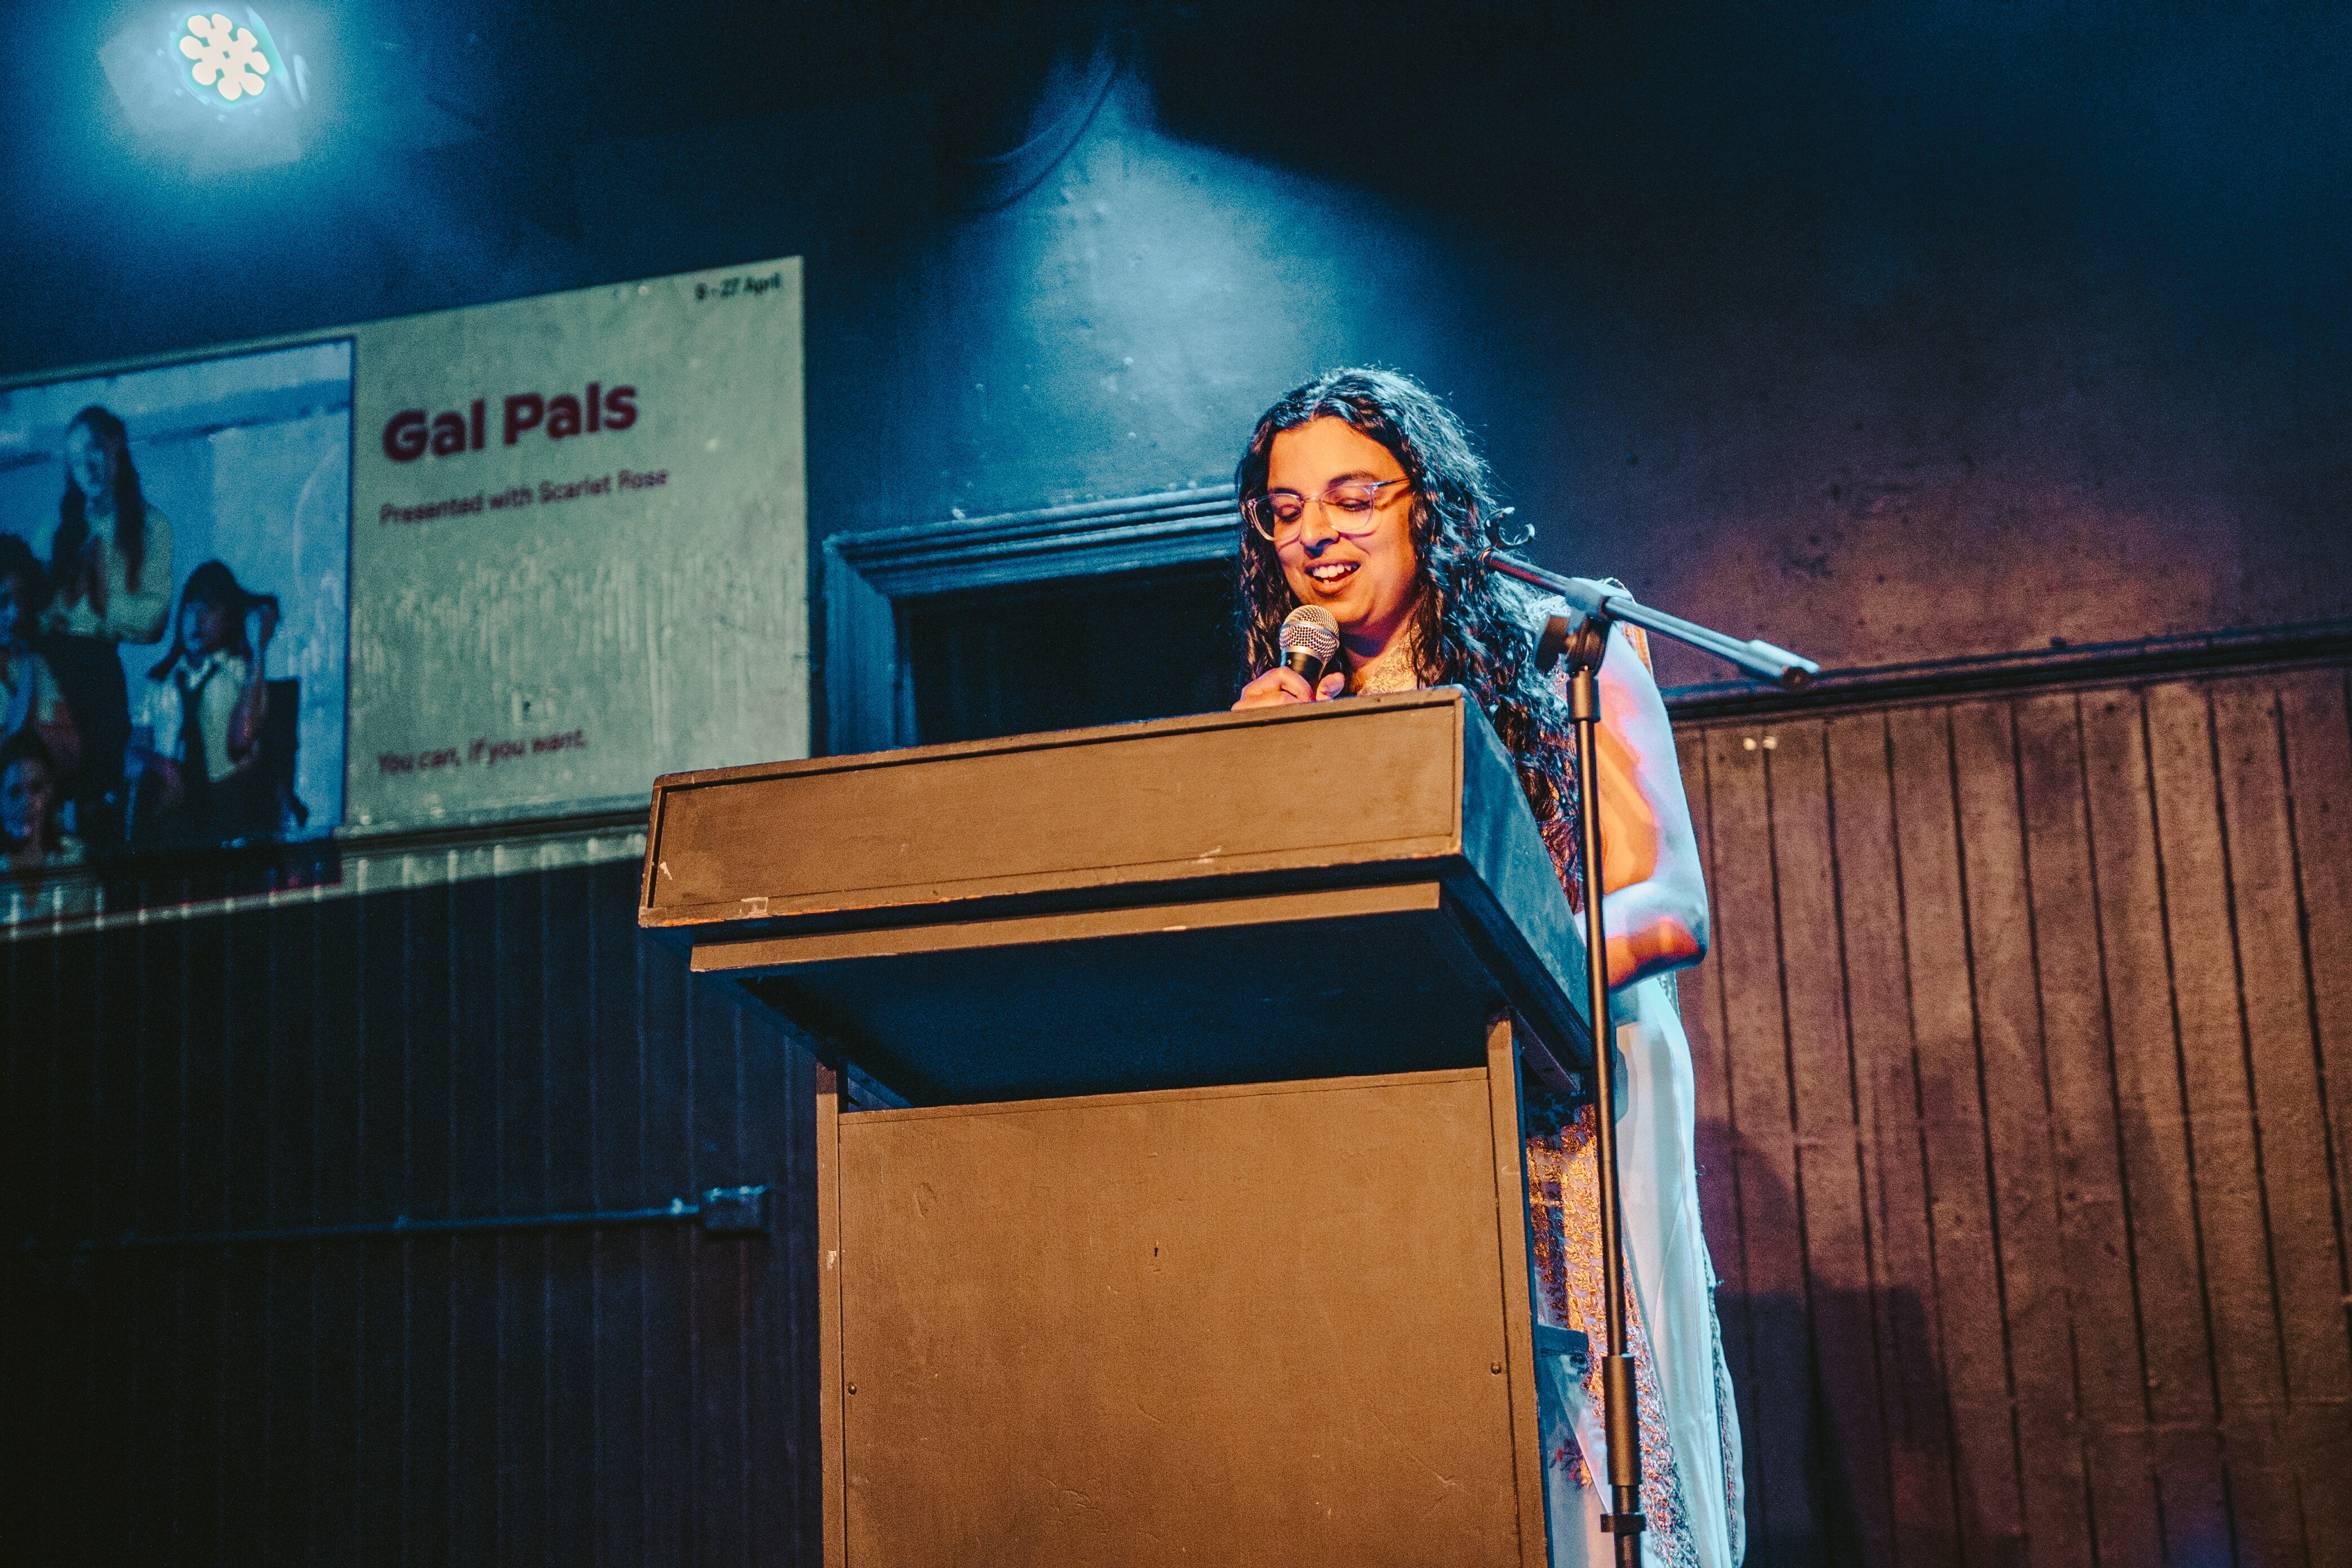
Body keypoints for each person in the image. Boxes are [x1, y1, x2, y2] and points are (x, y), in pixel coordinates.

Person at [1231, 368, 1743, 1568]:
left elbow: (1666, 904)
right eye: (1286, 510)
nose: (1315, 535)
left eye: (1352, 497)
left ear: (1429, 505)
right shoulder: (1303, 701)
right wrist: (1252, 788)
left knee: (1593, 1452)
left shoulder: (1564, 649)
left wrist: (1501, 966)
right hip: (1405, 1099)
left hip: (1578, 1082)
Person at [38, 404, 175, 844]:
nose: (88, 467)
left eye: (95, 450)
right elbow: (31, 616)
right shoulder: (53, 533)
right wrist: (60, 609)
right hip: (53, 671)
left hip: (99, 670)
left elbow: (154, 620)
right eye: (76, 459)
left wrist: (103, 607)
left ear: (117, 449)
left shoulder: (152, 527)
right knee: (48, 793)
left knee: (101, 796)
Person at [127, 559, 279, 846]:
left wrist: (259, 651)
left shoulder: (240, 674)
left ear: (229, 617)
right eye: (191, 608)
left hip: (225, 806)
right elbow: (134, 750)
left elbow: (242, 739)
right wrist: (161, 766)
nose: (197, 620)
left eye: (209, 608)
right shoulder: (160, 682)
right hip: (170, 807)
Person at [1, 534, 79, 774]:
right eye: (3, 601)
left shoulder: (44, 667)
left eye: (22, 597)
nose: (14, 613)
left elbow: (71, 754)